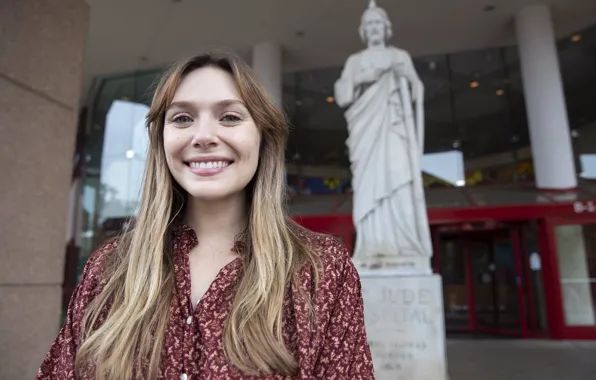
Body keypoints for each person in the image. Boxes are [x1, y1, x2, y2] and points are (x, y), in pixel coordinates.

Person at [37, 52, 374, 379]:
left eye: (229, 116)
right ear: (161, 141)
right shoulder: (108, 270)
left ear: (263, 137)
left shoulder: (321, 270)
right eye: (182, 118)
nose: (203, 137)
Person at [334, 0, 432, 272]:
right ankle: (373, 244)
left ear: (386, 28)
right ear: (363, 31)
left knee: (399, 179)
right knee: (369, 185)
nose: (374, 28)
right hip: (367, 133)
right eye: (369, 24)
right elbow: (342, 94)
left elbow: (417, 90)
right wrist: (364, 77)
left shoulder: (400, 56)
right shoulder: (355, 61)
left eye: (378, 23)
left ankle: (404, 244)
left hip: (394, 130)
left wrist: (408, 81)